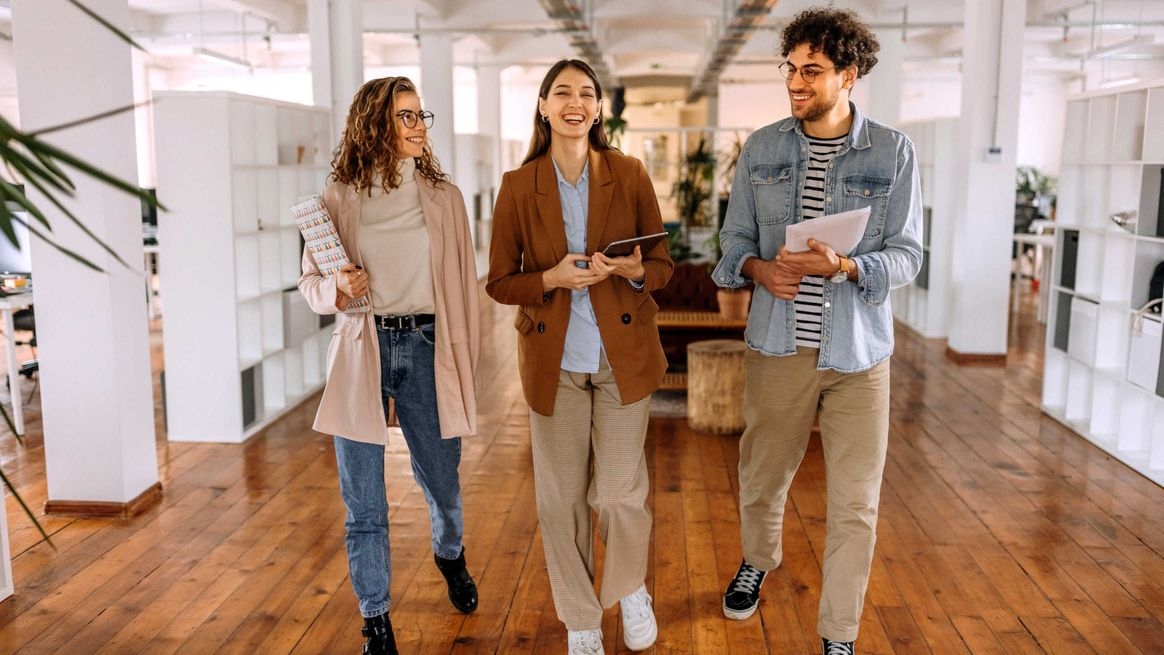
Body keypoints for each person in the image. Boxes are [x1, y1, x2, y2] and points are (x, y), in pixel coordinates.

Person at [712, 8, 922, 655]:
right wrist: (756, 268)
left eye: (812, 71)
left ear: (849, 75)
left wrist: (850, 264)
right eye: (790, 69)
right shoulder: (764, 148)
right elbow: (733, 242)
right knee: (763, 475)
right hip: (779, 347)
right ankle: (758, 558)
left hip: (860, 356)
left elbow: (909, 254)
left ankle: (838, 633)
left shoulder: (892, 152)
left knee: (856, 503)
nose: (796, 82)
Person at [485, 59, 674, 655]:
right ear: (542, 106)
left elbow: (662, 266)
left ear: (599, 108)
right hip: (555, 363)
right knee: (559, 500)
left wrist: (634, 269)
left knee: (619, 493)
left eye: (587, 94)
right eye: (562, 92)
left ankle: (630, 589)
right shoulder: (518, 186)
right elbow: (498, 281)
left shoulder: (630, 173)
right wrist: (551, 277)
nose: (575, 102)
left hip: (623, 359)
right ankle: (583, 623)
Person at [298, 76, 480, 655]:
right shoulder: (337, 197)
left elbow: (463, 285)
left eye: (420, 113)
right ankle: (375, 617)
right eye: (405, 116)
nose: (419, 124)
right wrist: (337, 288)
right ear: (375, 124)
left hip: (428, 346)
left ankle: (450, 553)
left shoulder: (445, 197)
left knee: (443, 484)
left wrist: (467, 360)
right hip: (362, 349)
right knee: (364, 504)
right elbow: (310, 285)